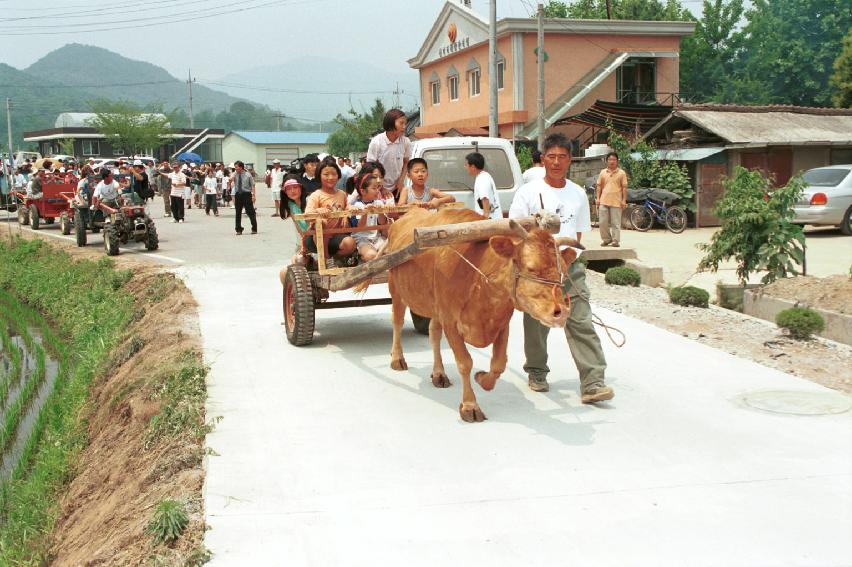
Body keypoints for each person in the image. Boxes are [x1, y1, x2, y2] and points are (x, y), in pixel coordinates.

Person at [508, 132, 614, 404]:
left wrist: (565, 262)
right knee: (536, 323)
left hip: (568, 268)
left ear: (570, 160)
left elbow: (578, 235)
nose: (556, 162)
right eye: (551, 157)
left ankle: (593, 382)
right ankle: (536, 371)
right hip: (539, 273)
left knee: (581, 321)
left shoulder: (578, 194)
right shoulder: (527, 192)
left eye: (562, 157)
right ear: (543, 159)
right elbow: (516, 234)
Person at [304, 160, 355, 257]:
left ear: (338, 176)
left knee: (350, 243)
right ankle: (325, 258)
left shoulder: (342, 194)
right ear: (319, 176)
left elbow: (347, 207)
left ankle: (334, 259)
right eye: (326, 174)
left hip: (336, 237)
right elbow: (307, 214)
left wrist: (347, 213)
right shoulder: (316, 195)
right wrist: (317, 211)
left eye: (334, 174)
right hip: (315, 239)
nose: (330, 178)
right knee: (322, 222)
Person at [366, 108, 411, 199]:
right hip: (377, 189)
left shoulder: (406, 142)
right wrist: (381, 188)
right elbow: (369, 168)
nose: (404, 126)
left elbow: (406, 162)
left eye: (405, 123)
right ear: (390, 123)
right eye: (401, 123)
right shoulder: (377, 142)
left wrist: (401, 181)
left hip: (397, 188)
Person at [349, 172, 389, 261]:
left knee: (390, 252)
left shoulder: (379, 203)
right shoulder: (357, 205)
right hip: (362, 239)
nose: (377, 191)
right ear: (363, 191)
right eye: (374, 188)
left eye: (378, 187)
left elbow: (382, 223)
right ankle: (358, 256)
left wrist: (381, 211)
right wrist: (366, 212)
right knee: (371, 255)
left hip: (376, 238)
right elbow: (360, 227)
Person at [595, 151, 628, 247]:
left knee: (616, 223)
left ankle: (615, 241)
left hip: (616, 201)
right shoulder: (603, 172)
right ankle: (606, 239)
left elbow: (624, 188)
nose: (612, 161)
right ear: (607, 161)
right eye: (610, 159)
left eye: (614, 159)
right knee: (602, 222)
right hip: (603, 200)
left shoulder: (621, 173)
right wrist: (597, 198)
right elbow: (599, 186)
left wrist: (624, 200)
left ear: (617, 161)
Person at [465, 152, 502, 220]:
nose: (465, 167)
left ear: (473, 167)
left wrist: (485, 218)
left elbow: (484, 198)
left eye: (466, 165)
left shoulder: (482, 178)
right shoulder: (483, 176)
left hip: (489, 221)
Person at [232, 160, 258, 235]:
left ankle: (254, 228)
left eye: (236, 167)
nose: (235, 169)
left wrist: (253, 195)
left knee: (250, 212)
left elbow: (253, 185)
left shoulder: (248, 175)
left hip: (246, 194)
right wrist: (233, 174)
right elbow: (230, 179)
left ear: (241, 167)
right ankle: (238, 229)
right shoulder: (235, 174)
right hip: (238, 194)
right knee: (238, 212)